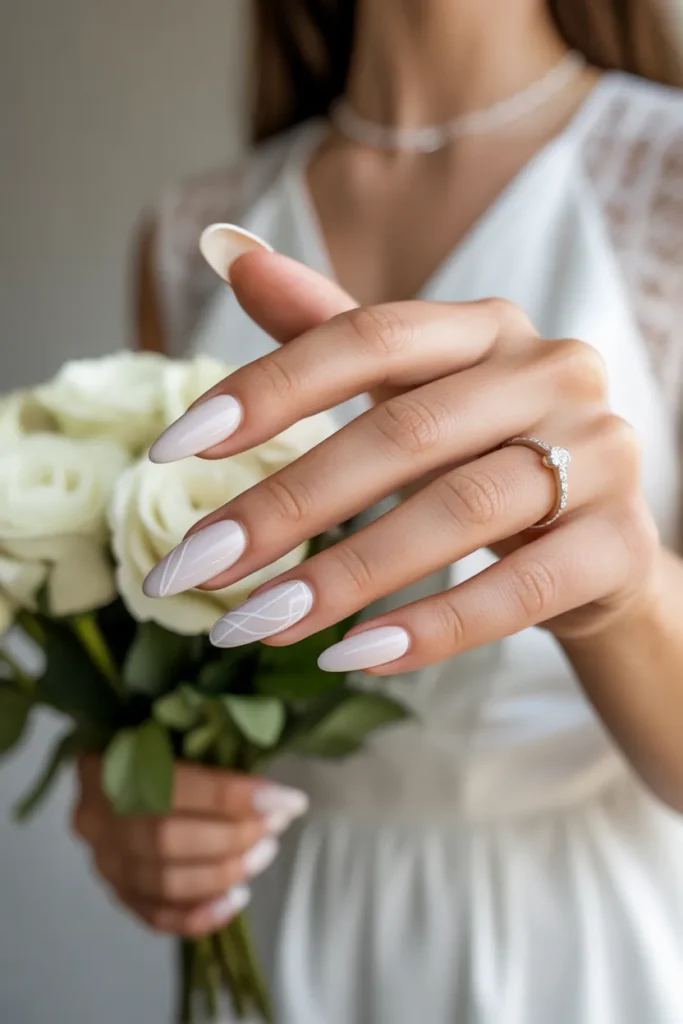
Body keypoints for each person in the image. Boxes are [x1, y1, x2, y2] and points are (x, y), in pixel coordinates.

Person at [72, 1, 683, 1021]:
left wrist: (620, 600)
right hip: (289, 937)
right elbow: (165, 662)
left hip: (579, 948)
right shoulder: (192, 235)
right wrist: (136, 803)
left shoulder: (662, 179)